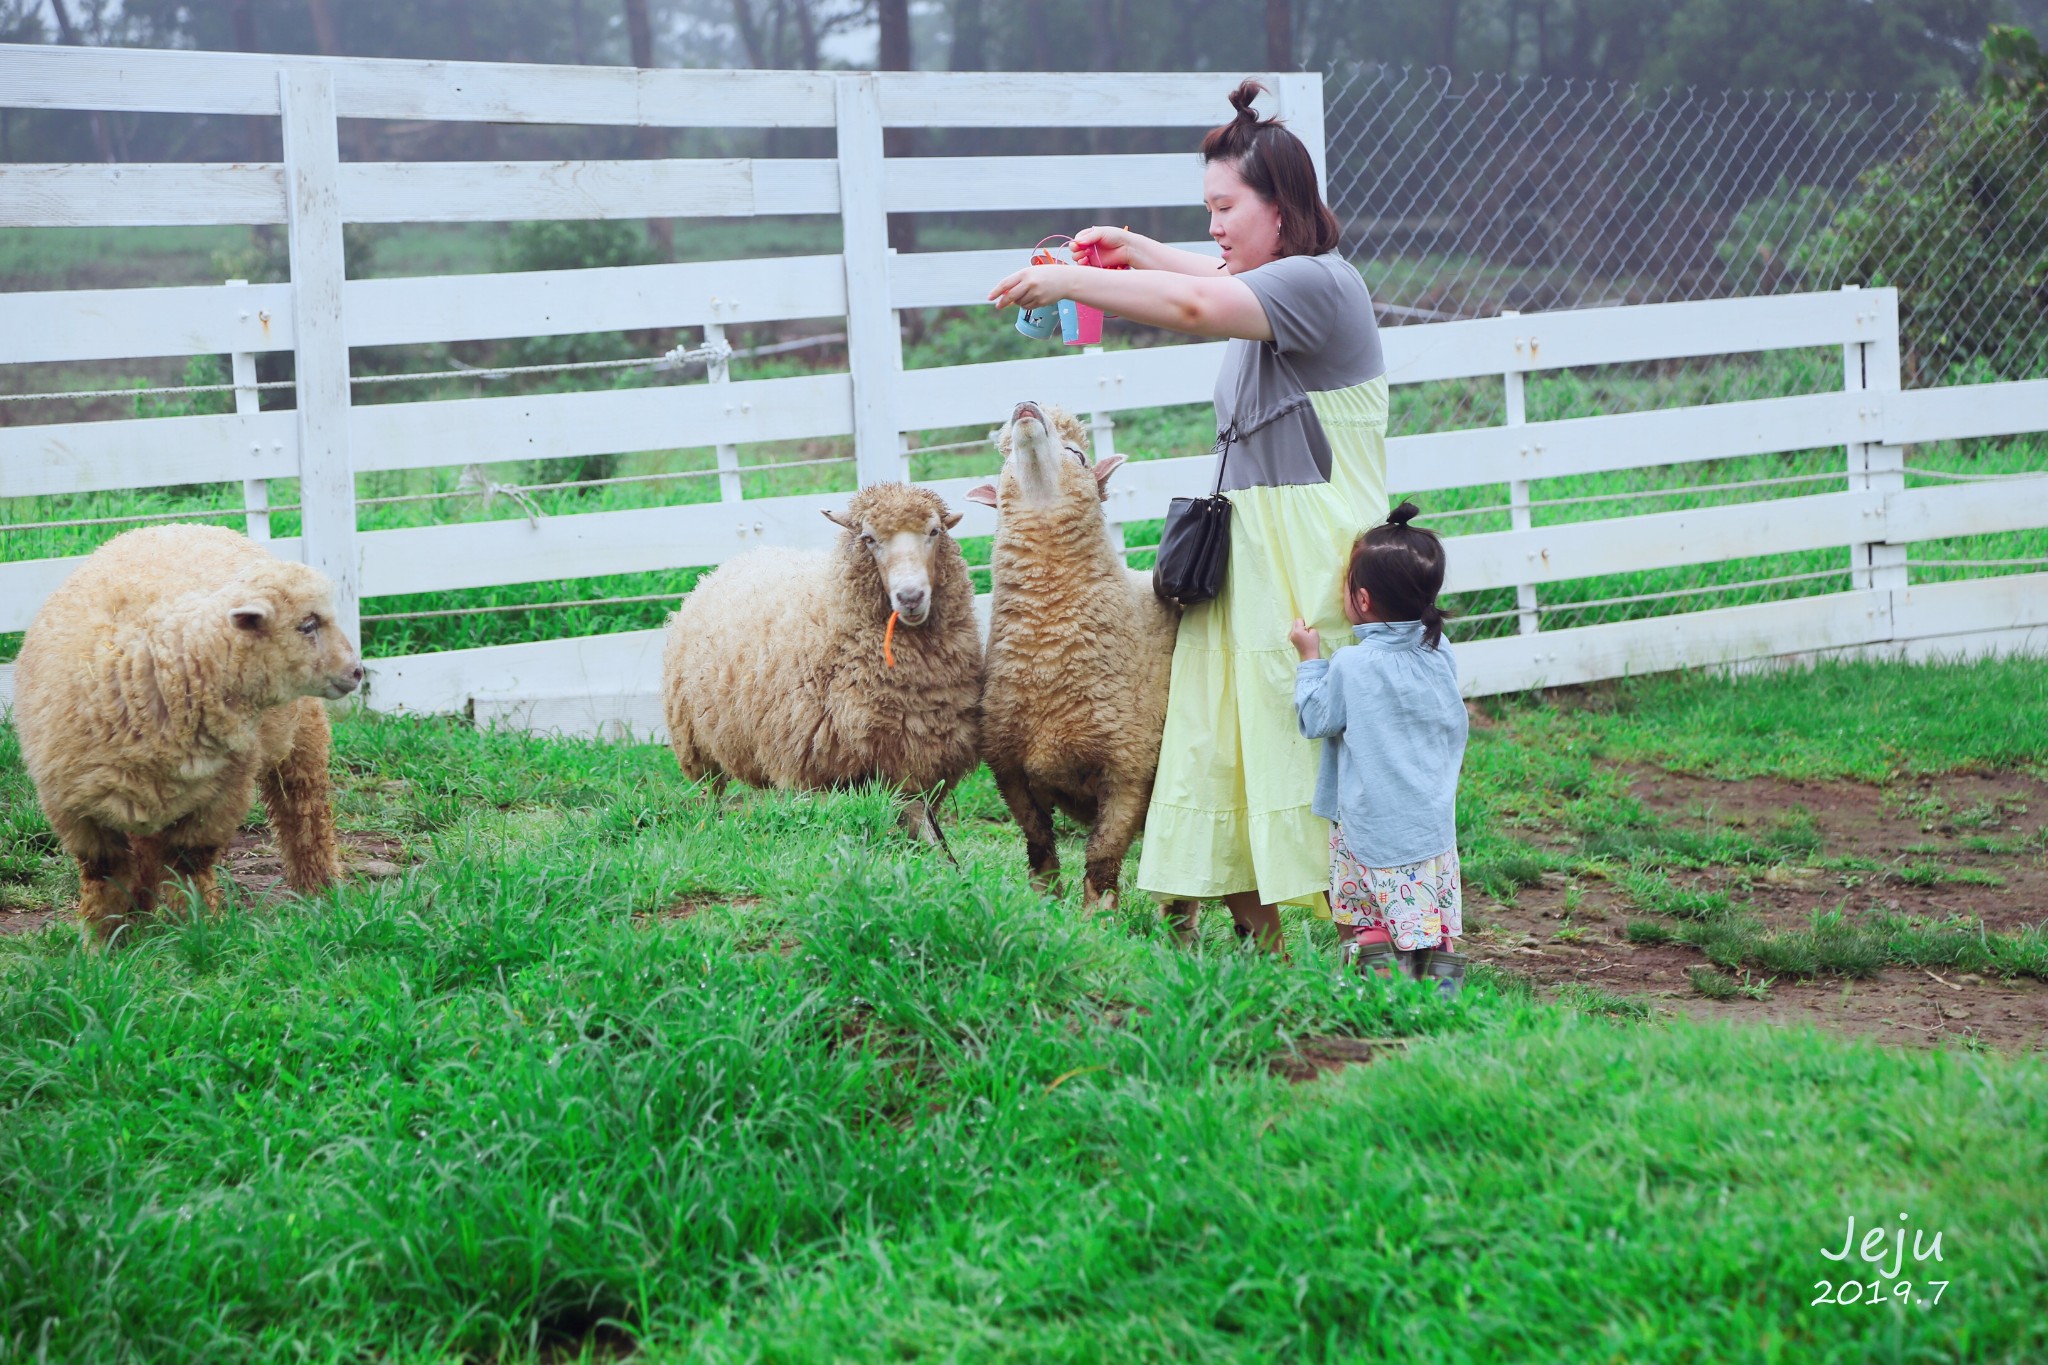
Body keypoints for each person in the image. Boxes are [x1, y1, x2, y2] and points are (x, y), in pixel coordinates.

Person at [988, 79, 1388, 953]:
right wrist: (1128, 248)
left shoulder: (1320, 288)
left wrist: (1065, 275)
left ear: (1280, 207)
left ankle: (1368, 922)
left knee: (1294, 731)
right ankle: (1266, 937)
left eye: (1223, 206)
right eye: (1203, 207)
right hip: (1250, 547)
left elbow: (1203, 303)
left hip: (1309, 550)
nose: (1211, 226)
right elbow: (1209, 276)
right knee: (1228, 739)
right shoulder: (1275, 278)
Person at [1288, 503, 1469, 997]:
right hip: (1430, 822)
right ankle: (1441, 996)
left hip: (1369, 824)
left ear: (1361, 600)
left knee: (1366, 913)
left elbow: (1314, 719)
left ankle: (1375, 994)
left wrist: (1310, 659)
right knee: (1427, 918)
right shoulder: (1439, 649)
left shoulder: (1352, 663)